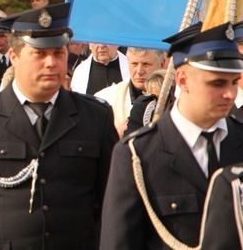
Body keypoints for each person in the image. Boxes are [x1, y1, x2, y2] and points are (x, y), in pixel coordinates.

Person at [0, 3, 118, 249]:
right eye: (40, 54)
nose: (51, 63)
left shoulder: (96, 117)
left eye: (58, 53)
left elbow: (113, 209)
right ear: (14, 56)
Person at [101, 22, 243, 249]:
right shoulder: (138, 154)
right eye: (217, 83)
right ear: (183, 80)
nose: (229, 93)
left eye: (234, 82)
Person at [94, 48, 166, 137]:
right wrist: (114, 135)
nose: (139, 71)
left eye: (146, 64)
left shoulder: (177, 99)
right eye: (134, 64)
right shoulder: (106, 98)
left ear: (162, 64)